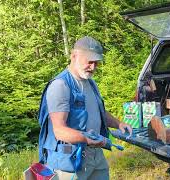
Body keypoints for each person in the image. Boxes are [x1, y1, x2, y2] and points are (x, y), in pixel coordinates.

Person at [38, 36, 132, 180]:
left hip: (95, 155)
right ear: (74, 56)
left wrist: (118, 124)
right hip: (70, 160)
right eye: (89, 62)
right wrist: (87, 139)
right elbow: (60, 131)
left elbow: (99, 111)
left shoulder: (90, 82)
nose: (93, 67)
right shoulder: (60, 86)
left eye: (96, 63)